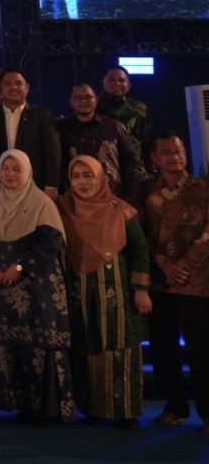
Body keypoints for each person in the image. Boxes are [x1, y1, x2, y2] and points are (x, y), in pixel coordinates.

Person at [58, 155, 151, 427]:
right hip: (79, 293)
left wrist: (141, 289)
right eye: (76, 176)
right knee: (86, 347)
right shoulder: (63, 209)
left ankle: (126, 411)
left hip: (117, 293)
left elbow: (139, 250)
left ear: (100, 178)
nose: (83, 182)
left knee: (120, 346)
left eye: (88, 175)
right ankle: (93, 409)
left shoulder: (121, 210)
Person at [0, 149, 75, 424]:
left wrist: (20, 267)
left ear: (27, 172)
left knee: (42, 342)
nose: (10, 174)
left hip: (40, 285)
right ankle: (25, 404)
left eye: (17, 169)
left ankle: (50, 409)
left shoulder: (41, 203)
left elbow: (50, 244)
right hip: (5, 286)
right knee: (16, 342)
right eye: (5, 168)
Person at [133, 131, 209, 428]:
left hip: (196, 280)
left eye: (178, 151)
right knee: (163, 347)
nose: (174, 157)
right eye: (166, 152)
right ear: (154, 158)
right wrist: (163, 264)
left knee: (201, 349)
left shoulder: (202, 189)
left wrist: (183, 265)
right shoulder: (145, 191)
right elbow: (139, 233)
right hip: (159, 280)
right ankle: (175, 407)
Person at [55, 82, 144, 196]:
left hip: (111, 194)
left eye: (88, 97)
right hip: (75, 194)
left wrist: (131, 193)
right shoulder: (60, 129)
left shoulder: (114, 127)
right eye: (78, 98)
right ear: (70, 101)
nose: (84, 101)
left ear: (96, 99)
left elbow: (131, 161)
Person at [0, 70, 62, 195]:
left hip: (34, 185)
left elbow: (53, 153)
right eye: (7, 83)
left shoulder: (42, 115)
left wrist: (51, 185)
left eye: (18, 83)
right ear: (0, 88)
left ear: (27, 87)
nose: (13, 87)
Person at [96, 66, 151, 158]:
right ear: (102, 83)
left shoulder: (140, 109)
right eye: (111, 80)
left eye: (121, 80)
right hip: (99, 160)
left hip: (133, 160)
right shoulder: (92, 106)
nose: (117, 83)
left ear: (129, 86)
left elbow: (147, 140)